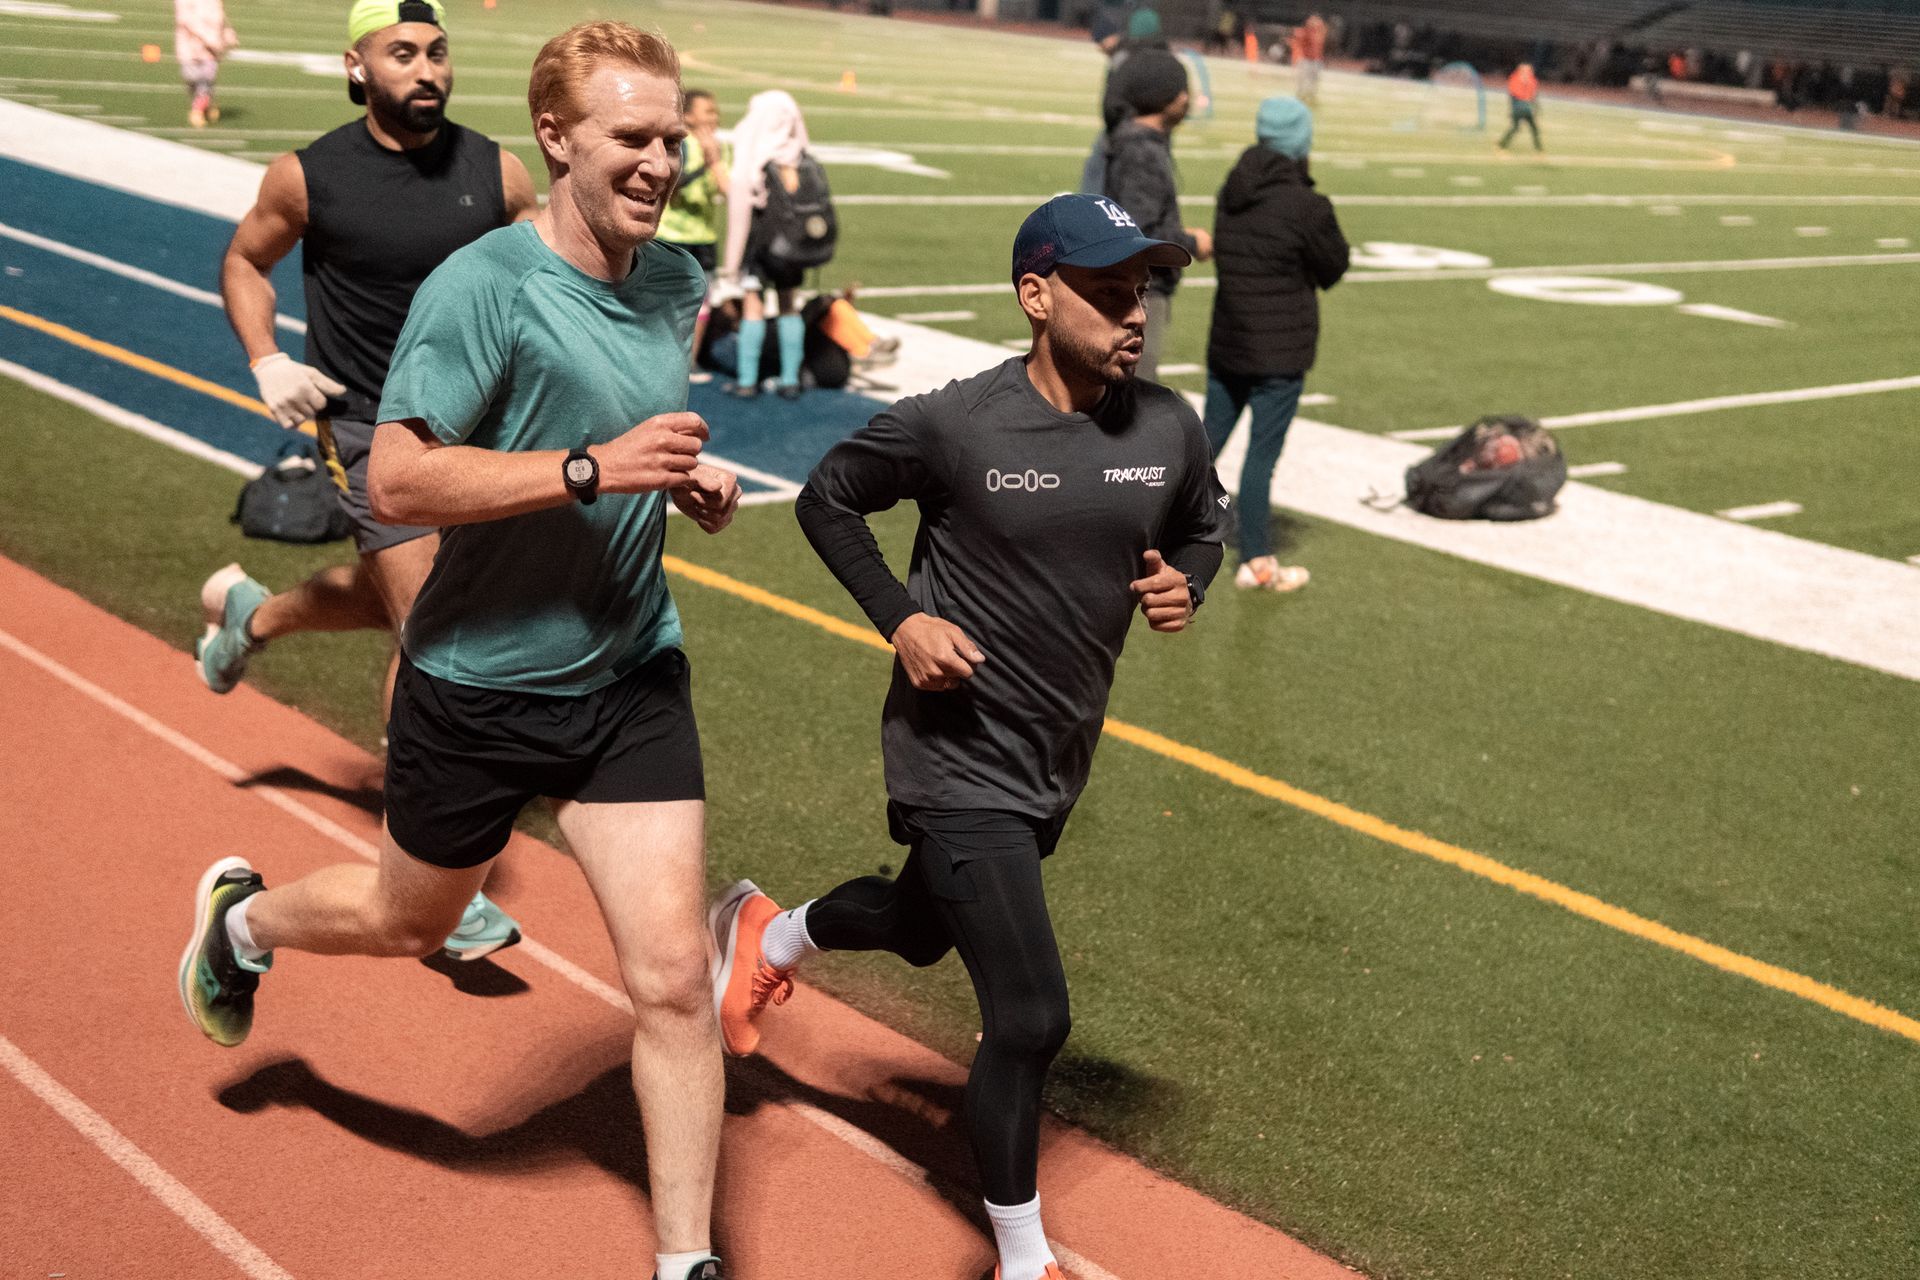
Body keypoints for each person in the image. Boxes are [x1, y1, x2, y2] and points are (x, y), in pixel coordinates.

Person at [180, 22, 740, 1280]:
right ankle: (244, 923)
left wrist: (677, 479)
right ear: (557, 137)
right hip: (479, 684)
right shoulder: (483, 286)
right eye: (631, 140)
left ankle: (686, 1259)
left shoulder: (676, 280)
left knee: (670, 981)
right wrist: (593, 471)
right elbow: (400, 472)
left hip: (629, 673)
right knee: (405, 915)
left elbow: (628, 425)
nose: (660, 163)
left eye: (670, 138)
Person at [707, 193, 1229, 1280]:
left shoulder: (1169, 425)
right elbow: (828, 500)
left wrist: (1191, 582)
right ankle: (1021, 1255)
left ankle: (767, 931)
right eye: (1106, 289)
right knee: (1031, 1015)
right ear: (1036, 296)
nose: (1135, 312)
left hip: (1052, 758)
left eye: (1142, 290)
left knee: (918, 922)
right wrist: (902, 618)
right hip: (955, 753)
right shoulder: (958, 423)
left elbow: (1201, 522)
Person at [199, 0, 536, 961]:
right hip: (372, 426)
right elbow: (244, 260)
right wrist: (266, 358)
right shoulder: (310, 176)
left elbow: (546, 269)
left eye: (437, 52)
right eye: (402, 53)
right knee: (433, 627)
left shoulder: (495, 170)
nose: (426, 68)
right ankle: (428, 866)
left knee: (405, 604)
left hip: (483, 423)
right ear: (357, 66)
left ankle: (251, 621)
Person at [1204, 96, 1349, 592]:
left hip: (1229, 339)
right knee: (1259, 460)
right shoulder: (1308, 206)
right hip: (1280, 353)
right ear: (1300, 143)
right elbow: (1334, 268)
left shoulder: (1233, 189)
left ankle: (1148, 532)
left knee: (1202, 449)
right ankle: (1258, 558)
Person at [1101, 49, 1212, 383]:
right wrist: (1191, 241)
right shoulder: (1142, 151)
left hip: (1136, 287)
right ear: (1163, 96)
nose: (1186, 98)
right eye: (1181, 90)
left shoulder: (1135, 142)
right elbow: (1139, 232)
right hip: (1142, 290)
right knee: (1134, 389)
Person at [719, 90, 814, 400]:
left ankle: (748, 380)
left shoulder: (756, 153)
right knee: (789, 306)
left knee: (753, 306)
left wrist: (732, 262)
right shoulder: (799, 155)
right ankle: (789, 380)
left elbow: (742, 203)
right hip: (793, 247)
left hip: (760, 244)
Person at [657, 87, 730, 367]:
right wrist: (701, 167)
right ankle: (661, 362)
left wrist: (715, 161)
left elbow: (729, 191)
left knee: (702, 304)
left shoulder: (719, 148)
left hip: (704, 238)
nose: (716, 116)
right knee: (664, 304)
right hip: (671, 237)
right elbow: (672, 192)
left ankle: (691, 363)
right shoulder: (678, 144)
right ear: (688, 115)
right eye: (708, 111)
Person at [174, 0, 236, 128]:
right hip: (189, 46)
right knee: (190, 78)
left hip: (211, 50)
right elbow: (184, 19)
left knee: (205, 80)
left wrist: (228, 35)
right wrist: (204, 38)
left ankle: (197, 111)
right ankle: (206, 104)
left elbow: (221, 19)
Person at [1500, 62, 1543, 151]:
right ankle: (1501, 145)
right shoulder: (1514, 80)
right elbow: (1513, 96)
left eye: (1529, 71)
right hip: (1519, 109)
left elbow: (1533, 96)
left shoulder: (1532, 81)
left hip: (1527, 109)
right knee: (1515, 128)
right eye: (1526, 71)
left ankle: (1539, 150)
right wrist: (1513, 109)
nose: (1528, 72)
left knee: (1534, 129)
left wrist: (1536, 108)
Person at [1294, 13, 1328, 104]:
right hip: (1306, 59)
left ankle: (1311, 96)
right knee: (1302, 79)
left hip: (1316, 60)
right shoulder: (1305, 33)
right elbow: (1300, 41)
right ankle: (1300, 95)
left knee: (1314, 80)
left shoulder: (1320, 33)